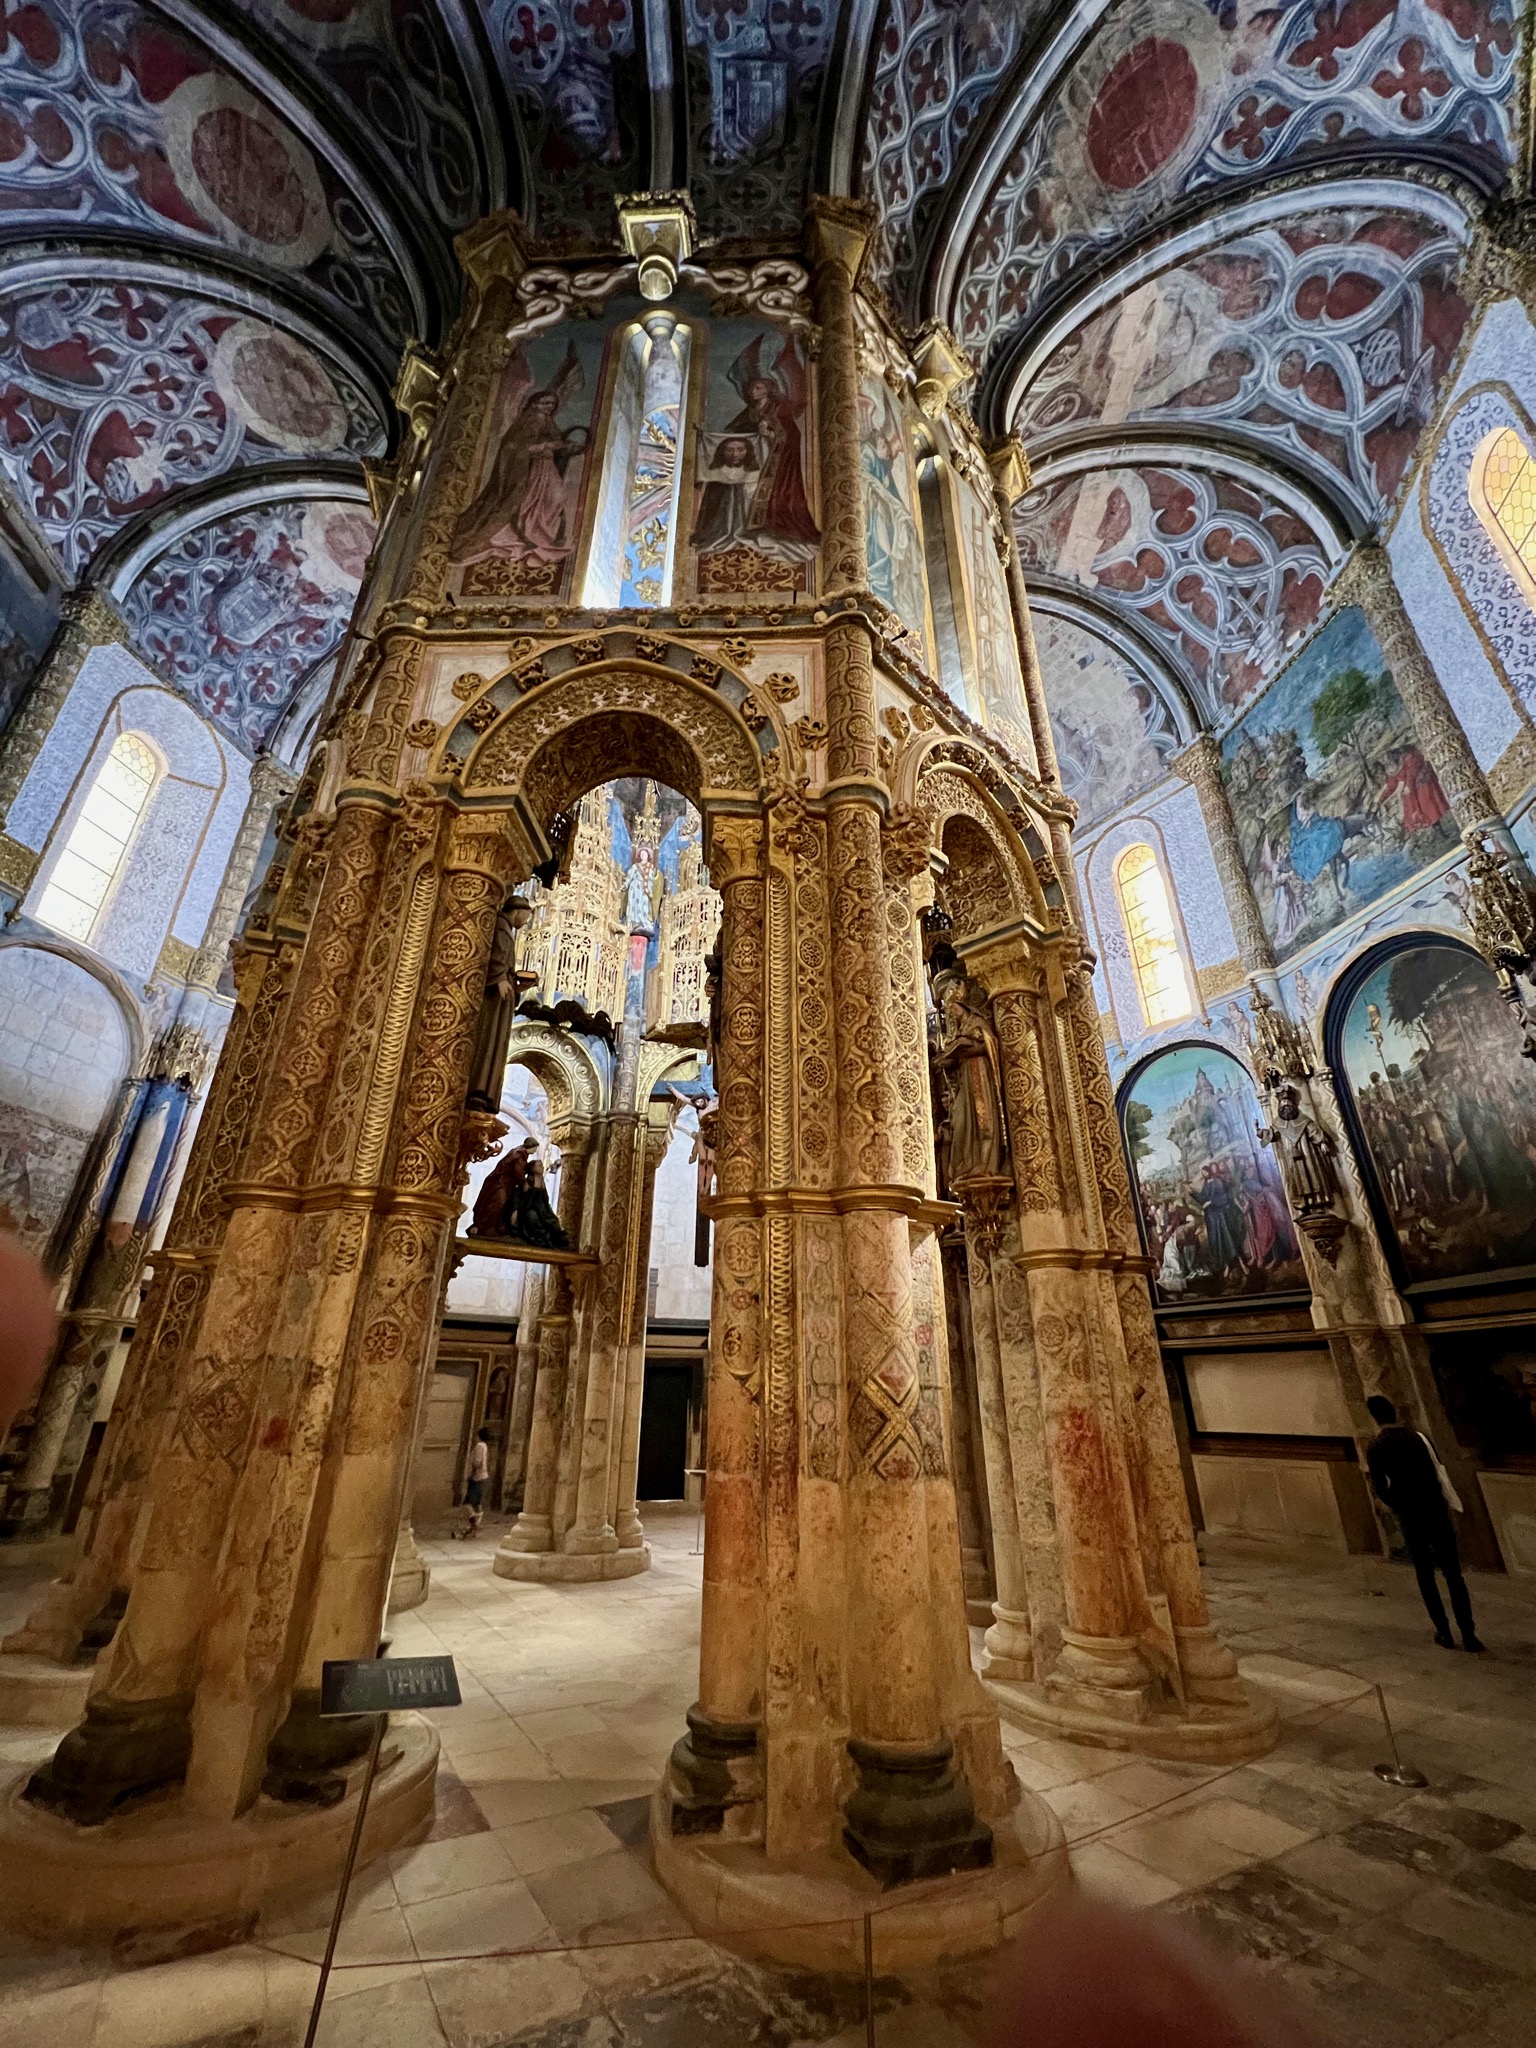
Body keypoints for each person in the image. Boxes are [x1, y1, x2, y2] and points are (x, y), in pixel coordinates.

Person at [1364, 1394, 1484, 1652]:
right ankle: (1469, 1633)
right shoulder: (1419, 1439)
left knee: (1425, 1573)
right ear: (1394, 1412)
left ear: (1374, 1417)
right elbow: (1437, 1469)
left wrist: (1400, 1504)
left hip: (1411, 1514)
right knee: (1453, 1573)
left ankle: (1444, 1631)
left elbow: (1380, 1488)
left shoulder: (1377, 1447)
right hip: (1436, 1510)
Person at [458, 1427, 491, 1539]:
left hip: (477, 1477)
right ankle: (475, 1525)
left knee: (468, 1503)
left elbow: (477, 1461)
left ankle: (474, 1525)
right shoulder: (485, 1446)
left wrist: (471, 1474)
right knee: (477, 1504)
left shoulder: (479, 1446)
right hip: (482, 1476)